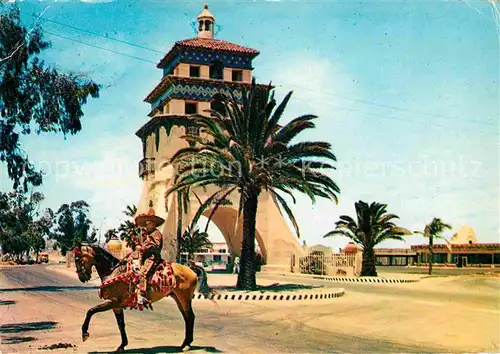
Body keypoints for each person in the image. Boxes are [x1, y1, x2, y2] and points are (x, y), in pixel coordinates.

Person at [134, 205, 165, 307]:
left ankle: (142, 295)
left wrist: (143, 248)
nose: (147, 226)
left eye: (149, 224)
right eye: (146, 224)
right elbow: (138, 243)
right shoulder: (145, 235)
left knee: (142, 273)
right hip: (143, 258)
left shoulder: (157, 234)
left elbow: (155, 245)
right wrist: (138, 245)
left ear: (154, 224)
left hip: (152, 257)